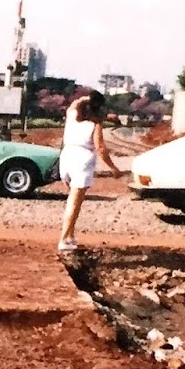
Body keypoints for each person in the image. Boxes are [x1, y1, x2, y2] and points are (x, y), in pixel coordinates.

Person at [58, 91, 121, 252]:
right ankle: (64, 239)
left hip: (66, 157)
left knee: (73, 201)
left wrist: (88, 99)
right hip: (82, 160)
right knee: (74, 203)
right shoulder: (95, 125)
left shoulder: (72, 117)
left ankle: (70, 236)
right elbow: (100, 148)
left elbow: (75, 103)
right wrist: (113, 168)